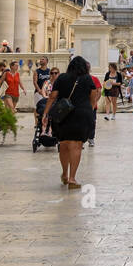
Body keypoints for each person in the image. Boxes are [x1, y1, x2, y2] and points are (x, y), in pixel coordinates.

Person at [41, 56, 100, 190]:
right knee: (77, 146)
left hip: (64, 114)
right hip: (82, 114)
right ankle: (73, 178)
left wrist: (45, 113)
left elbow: (52, 96)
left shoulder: (61, 78)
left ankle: (64, 173)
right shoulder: (87, 79)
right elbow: (93, 96)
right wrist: (89, 110)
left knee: (64, 144)